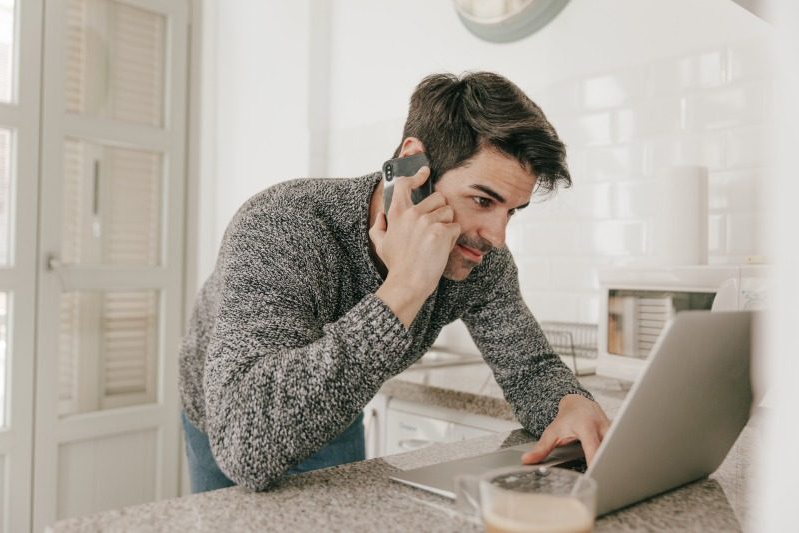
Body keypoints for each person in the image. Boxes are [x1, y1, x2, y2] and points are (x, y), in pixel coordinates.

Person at [179, 71, 610, 493]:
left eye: (512, 210)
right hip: (226, 410)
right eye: (482, 200)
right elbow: (241, 443)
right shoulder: (282, 226)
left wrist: (568, 403)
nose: (497, 236)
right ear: (413, 164)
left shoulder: (479, 255)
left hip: (336, 403)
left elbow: (529, 368)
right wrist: (404, 289)